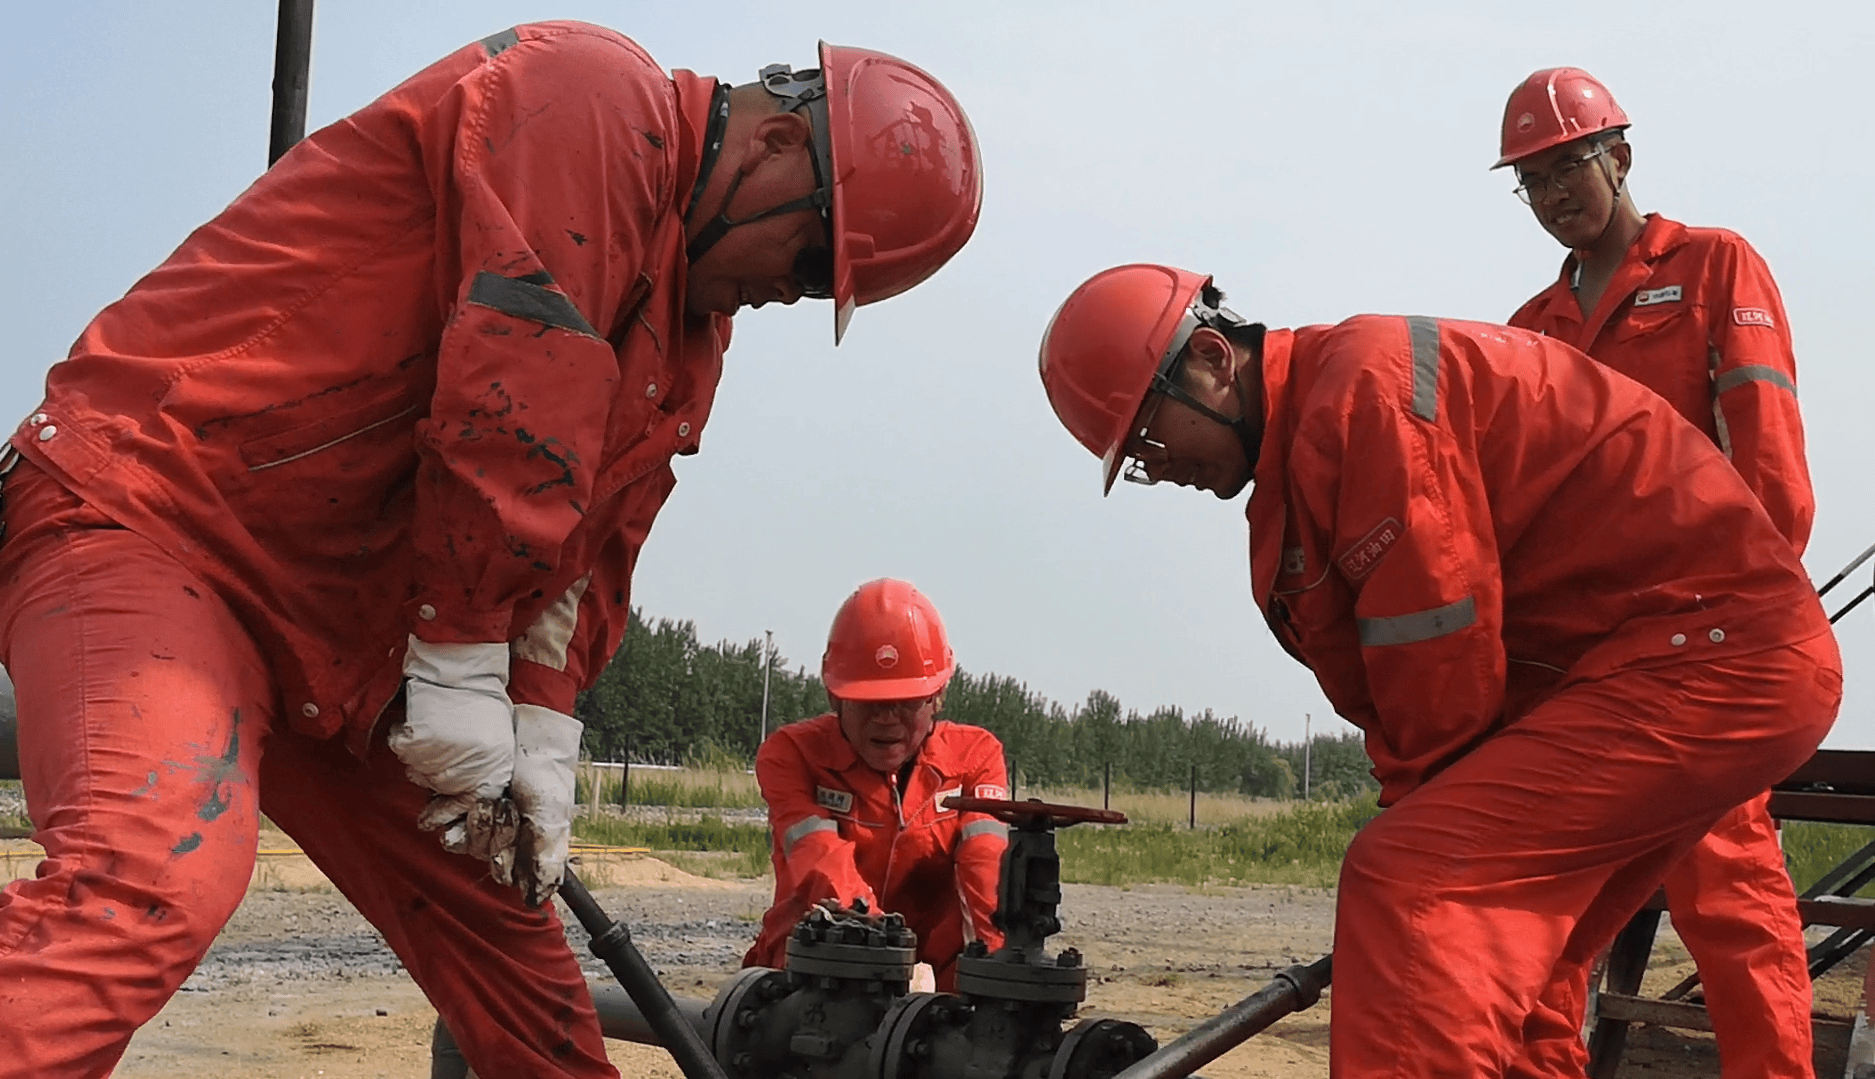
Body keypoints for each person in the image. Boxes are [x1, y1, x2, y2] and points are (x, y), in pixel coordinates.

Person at [0, 21, 980, 1078]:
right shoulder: (595, 101)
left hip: (347, 625)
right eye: (797, 264)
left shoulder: (687, 340)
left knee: (515, 956)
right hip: (157, 513)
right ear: (779, 146)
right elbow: (518, 390)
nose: (772, 295)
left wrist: (543, 727)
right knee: (150, 875)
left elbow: (594, 551)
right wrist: (465, 652)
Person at [1036, 263, 1841, 1077]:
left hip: (1709, 654)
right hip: (1664, 665)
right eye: (1135, 460)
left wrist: (1421, 818)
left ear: (1211, 359)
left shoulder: (1362, 396)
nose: (1159, 467)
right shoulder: (1310, 450)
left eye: (1148, 436)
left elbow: (1436, 653)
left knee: (1411, 884)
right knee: (1525, 975)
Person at [1497, 66, 1816, 1079]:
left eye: (1568, 169)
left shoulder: (1717, 269)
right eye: (1533, 182)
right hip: (1589, 665)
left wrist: (1742, 620)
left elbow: (1769, 465)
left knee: (1729, 897)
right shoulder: (1531, 328)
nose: (1554, 197)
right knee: (1547, 901)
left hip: (1700, 647)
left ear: (1620, 156)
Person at [746, 578, 1008, 992]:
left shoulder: (975, 758)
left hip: (941, 983)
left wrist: (997, 974)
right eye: (870, 702)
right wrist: (885, 954)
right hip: (816, 973)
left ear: (936, 697)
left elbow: (986, 872)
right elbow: (820, 861)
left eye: (905, 701)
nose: (886, 718)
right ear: (835, 698)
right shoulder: (792, 755)